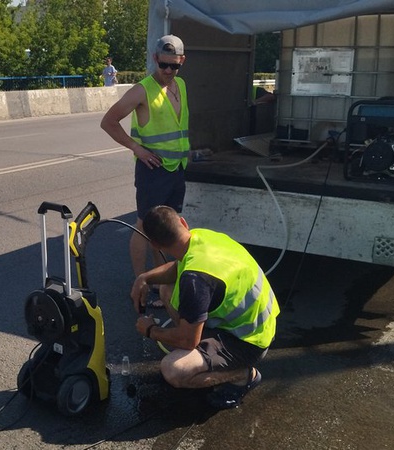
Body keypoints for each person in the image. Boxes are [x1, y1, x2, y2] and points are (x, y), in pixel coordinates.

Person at [130, 206, 279, 410]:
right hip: (256, 322)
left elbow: (189, 340)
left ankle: (244, 375)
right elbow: (177, 267)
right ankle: (199, 350)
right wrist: (144, 278)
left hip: (248, 342)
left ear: (155, 245)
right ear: (183, 223)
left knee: (173, 370)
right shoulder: (201, 236)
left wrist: (150, 330)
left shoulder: (195, 281)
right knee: (166, 289)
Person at [100, 35, 190, 306]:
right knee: (144, 227)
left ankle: (161, 284)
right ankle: (141, 283)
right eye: (163, 65)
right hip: (153, 171)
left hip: (177, 169)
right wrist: (136, 149)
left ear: (181, 62)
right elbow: (109, 122)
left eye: (174, 66)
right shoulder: (142, 90)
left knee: (167, 229)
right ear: (155, 59)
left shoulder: (181, 86)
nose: (168, 71)